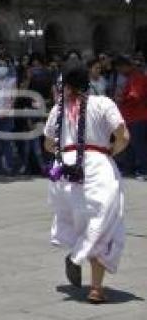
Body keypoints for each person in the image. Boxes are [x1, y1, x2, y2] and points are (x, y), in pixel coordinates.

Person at [44, 65, 129, 304]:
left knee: (80, 222)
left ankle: (77, 254)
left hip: (65, 170)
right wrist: (112, 150)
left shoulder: (57, 110)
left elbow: (48, 145)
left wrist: (65, 150)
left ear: (66, 86)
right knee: (103, 223)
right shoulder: (103, 104)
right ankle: (95, 285)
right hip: (96, 166)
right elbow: (122, 133)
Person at [113, 55, 147, 179]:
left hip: (137, 116)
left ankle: (144, 170)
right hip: (131, 117)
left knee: (138, 145)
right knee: (129, 145)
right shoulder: (132, 78)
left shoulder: (136, 78)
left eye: (120, 68)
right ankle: (129, 169)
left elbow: (135, 96)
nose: (119, 72)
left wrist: (121, 99)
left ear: (126, 66)